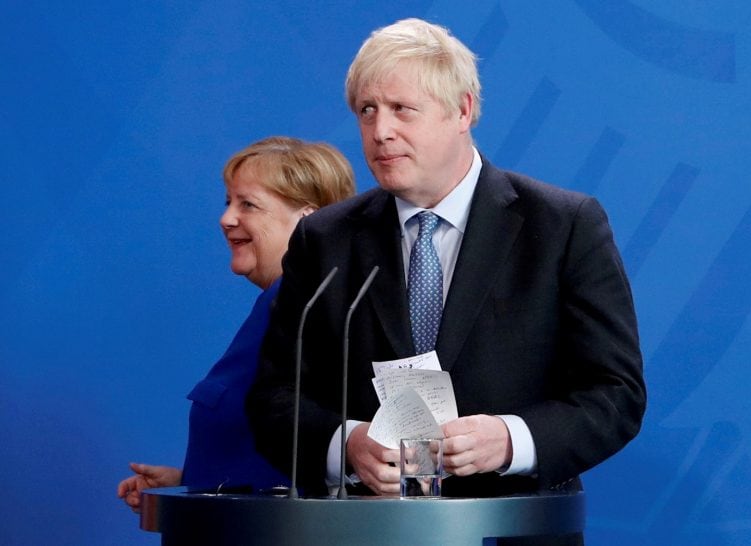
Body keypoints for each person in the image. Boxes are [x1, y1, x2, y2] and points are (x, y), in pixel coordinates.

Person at [247, 17, 645, 514]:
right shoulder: (326, 239)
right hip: (366, 526)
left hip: (513, 525)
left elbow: (615, 394)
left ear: (463, 110)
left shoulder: (562, 226)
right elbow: (274, 397)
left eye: (401, 110)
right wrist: (347, 445)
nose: (380, 131)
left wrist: (509, 438)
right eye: (367, 111)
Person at [116, 137, 356, 511]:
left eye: (248, 205)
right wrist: (192, 483)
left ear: (309, 221)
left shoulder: (312, 312)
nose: (226, 219)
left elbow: (313, 449)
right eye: (229, 202)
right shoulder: (273, 307)